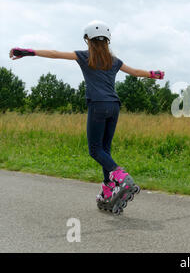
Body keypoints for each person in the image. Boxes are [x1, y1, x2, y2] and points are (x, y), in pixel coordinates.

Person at [9, 20, 165, 215]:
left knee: (94, 150)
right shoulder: (114, 61)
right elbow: (135, 72)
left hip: (98, 105)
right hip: (114, 106)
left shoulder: (85, 56)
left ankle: (121, 176)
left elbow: (55, 54)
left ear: (87, 40)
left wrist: (26, 52)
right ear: (108, 41)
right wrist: (154, 74)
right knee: (104, 150)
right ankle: (108, 188)